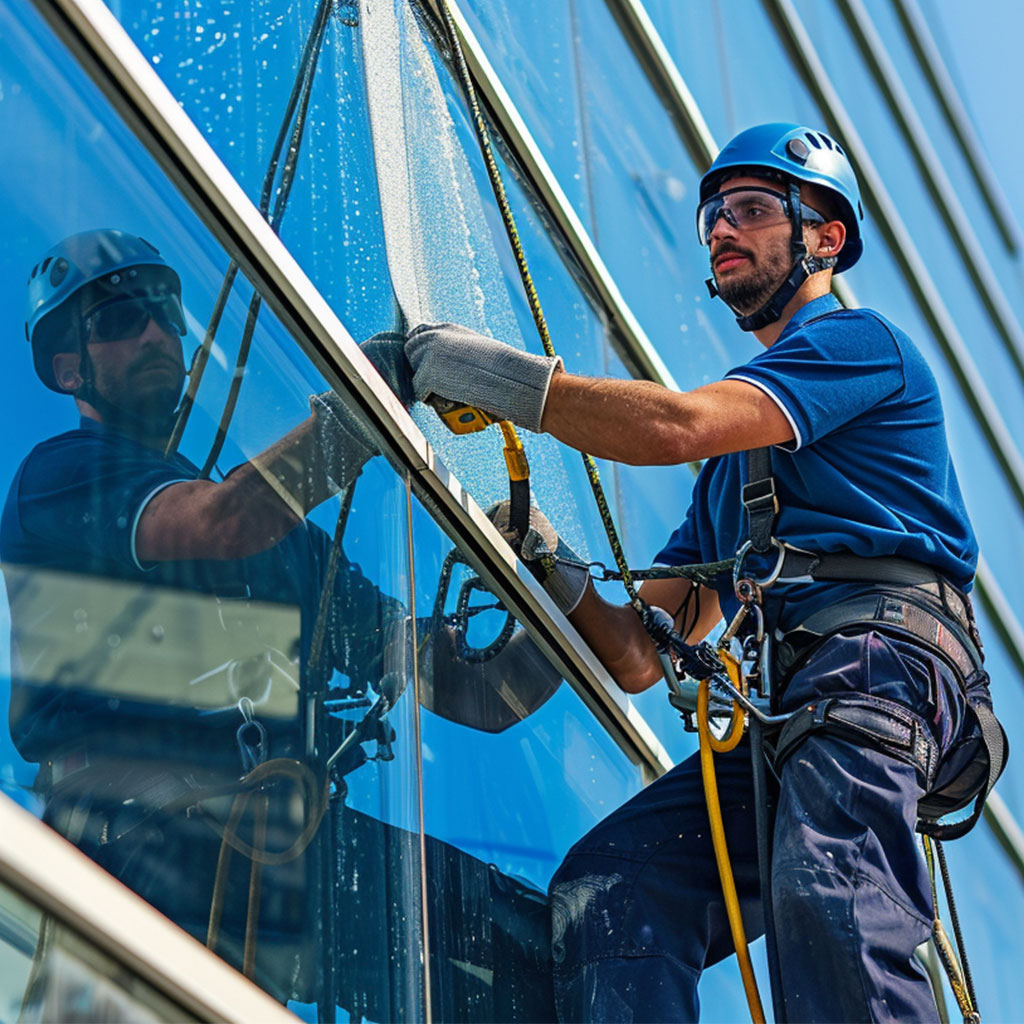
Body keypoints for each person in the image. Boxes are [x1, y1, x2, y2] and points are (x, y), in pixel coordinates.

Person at [404, 122, 1005, 1021]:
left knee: (832, 895)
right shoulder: (737, 478)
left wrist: (496, 379)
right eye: (714, 217)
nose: (724, 229)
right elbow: (645, 649)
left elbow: (672, 426)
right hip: (795, 705)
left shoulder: (861, 346)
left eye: (755, 210)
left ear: (825, 237)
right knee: (614, 892)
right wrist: (547, 557)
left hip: (881, 668)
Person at [6, 228, 560, 1019]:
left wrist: (545, 572)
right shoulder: (60, 479)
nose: (158, 332)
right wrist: (367, 404)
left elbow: (473, 696)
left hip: (278, 843)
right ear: (69, 366)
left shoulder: (288, 550)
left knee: (537, 943)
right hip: (135, 846)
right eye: (123, 318)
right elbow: (224, 522)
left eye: (163, 312)